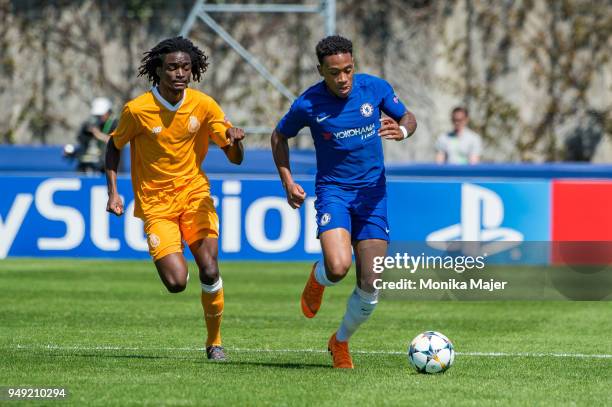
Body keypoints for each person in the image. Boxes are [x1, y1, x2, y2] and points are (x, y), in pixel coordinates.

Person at [271, 35, 417, 368]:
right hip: (335, 192)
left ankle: (340, 342)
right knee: (338, 268)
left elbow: (409, 117)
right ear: (320, 70)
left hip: (373, 196)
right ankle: (319, 276)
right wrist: (288, 181)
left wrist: (403, 131)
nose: (343, 79)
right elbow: (279, 136)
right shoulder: (308, 104)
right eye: (334, 72)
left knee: (371, 281)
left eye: (348, 70)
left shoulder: (375, 89)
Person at [105, 36, 245, 361]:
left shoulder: (205, 105)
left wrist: (236, 142)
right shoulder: (137, 110)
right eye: (172, 67)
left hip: (195, 196)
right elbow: (113, 147)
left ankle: (215, 343)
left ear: (192, 70)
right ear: (159, 69)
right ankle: (210, 333)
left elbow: (234, 157)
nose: (179, 73)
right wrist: (113, 192)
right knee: (177, 282)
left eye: (185, 67)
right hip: (156, 206)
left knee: (209, 269)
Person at [71, 97, 117, 174]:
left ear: (108, 113)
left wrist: (98, 134)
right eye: (96, 116)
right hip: (88, 163)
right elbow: (80, 139)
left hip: (107, 164)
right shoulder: (89, 124)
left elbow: (115, 141)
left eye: (100, 115)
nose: (98, 118)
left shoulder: (114, 124)